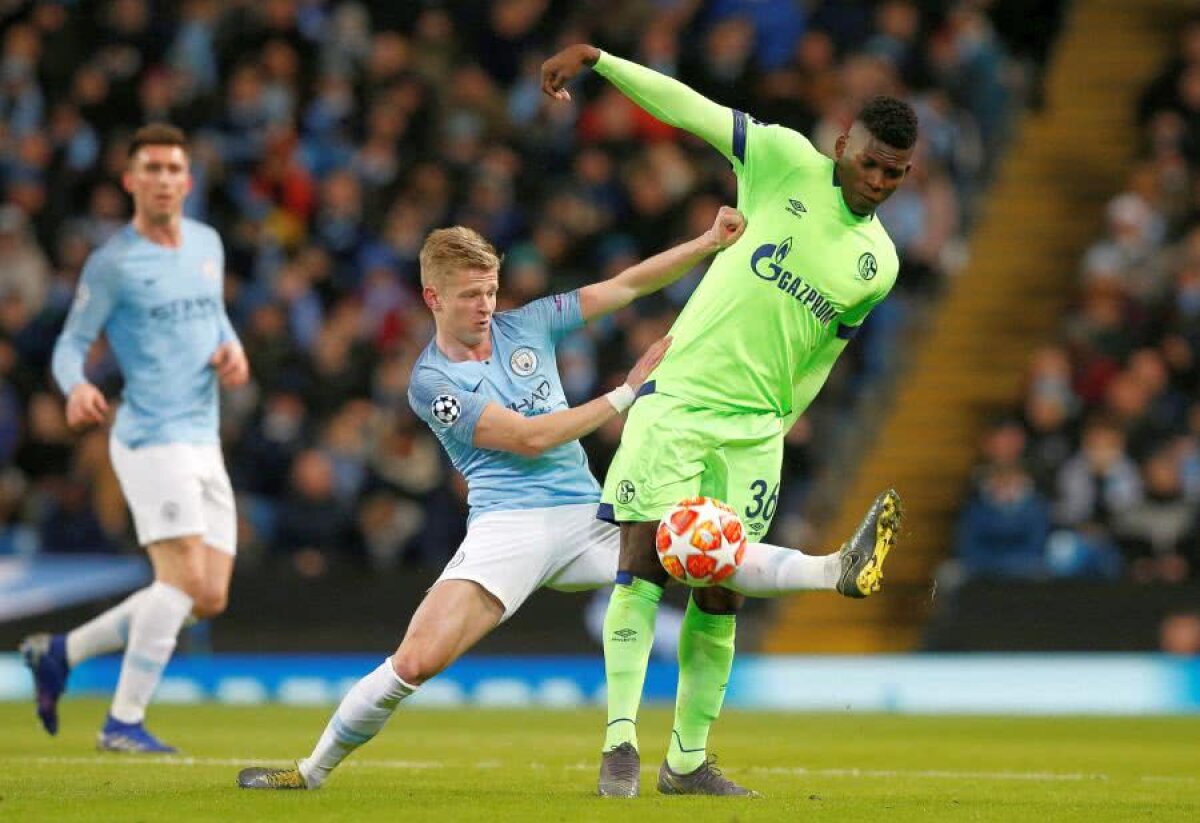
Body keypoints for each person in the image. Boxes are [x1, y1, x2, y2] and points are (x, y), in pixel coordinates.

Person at [237, 207, 891, 791]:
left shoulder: (530, 324)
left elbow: (627, 285)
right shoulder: (431, 381)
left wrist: (703, 244)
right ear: (432, 296)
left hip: (586, 518)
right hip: (508, 529)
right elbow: (525, 437)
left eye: (492, 290)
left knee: (698, 544)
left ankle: (835, 568)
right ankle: (308, 771)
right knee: (414, 660)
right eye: (470, 295)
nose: (486, 305)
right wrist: (624, 394)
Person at [540, 44, 915, 797]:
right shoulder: (782, 161)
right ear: (844, 143)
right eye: (871, 164)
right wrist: (604, 62)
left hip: (754, 431)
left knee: (721, 591)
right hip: (678, 398)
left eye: (895, 175)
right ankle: (619, 743)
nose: (878, 184)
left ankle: (687, 760)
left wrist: (784, 417)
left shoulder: (879, 265)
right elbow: (691, 109)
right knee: (642, 565)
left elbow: (823, 355)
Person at [19, 123, 249, 753]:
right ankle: (122, 722)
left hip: (203, 438)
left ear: (188, 181)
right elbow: (69, 344)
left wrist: (232, 350)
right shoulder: (113, 263)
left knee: (208, 594)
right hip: (149, 437)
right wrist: (76, 387)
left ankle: (61, 652)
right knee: (178, 581)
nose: (164, 180)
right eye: (151, 168)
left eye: (174, 169)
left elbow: (215, 314)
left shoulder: (206, 242)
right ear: (130, 181)